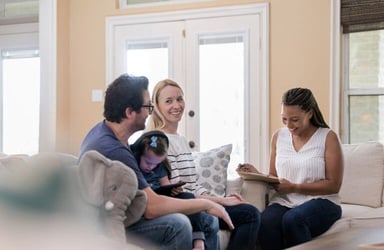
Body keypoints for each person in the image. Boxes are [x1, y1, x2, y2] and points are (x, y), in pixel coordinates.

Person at [79, 74, 234, 250]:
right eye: (148, 107)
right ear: (129, 112)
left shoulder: (107, 132)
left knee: (208, 220)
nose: (150, 112)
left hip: (126, 212)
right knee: (178, 224)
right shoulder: (113, 149)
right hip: (111, 223)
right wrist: (206, 203)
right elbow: (151, 207)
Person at [147, 78, 261, 250]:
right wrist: (220, 201)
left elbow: (192, 184)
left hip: (194, 201)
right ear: (157, 106)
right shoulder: (161, 142)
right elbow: (179, 192)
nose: (176, 105)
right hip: (184, 206)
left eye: (179, 99)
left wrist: (222, 199)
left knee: (250, 212)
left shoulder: (181, 140)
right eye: (168, 101)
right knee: (249, 215)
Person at [238, 87, 343, 249]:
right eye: (284, 119)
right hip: (285, 201)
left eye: (295, 119)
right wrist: (257, 174)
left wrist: (295, 187)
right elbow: (274, 176)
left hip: (323, 201)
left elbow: (333, 185)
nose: (289, 125)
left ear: (310, 113)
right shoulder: (278, 136)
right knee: (265, 221)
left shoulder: (327, 137)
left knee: (293, 220)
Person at [131, 130, 219, 250]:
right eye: (148, 162)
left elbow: (165, 185)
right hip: (148, 202)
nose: (151, 167)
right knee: (200, 214)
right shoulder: (132, 165)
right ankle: (198, 241)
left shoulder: (159, 166)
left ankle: (199, 241)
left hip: (161, 198)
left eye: (155, 164)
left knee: (206, 215)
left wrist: (172, 190)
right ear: (139, 153)